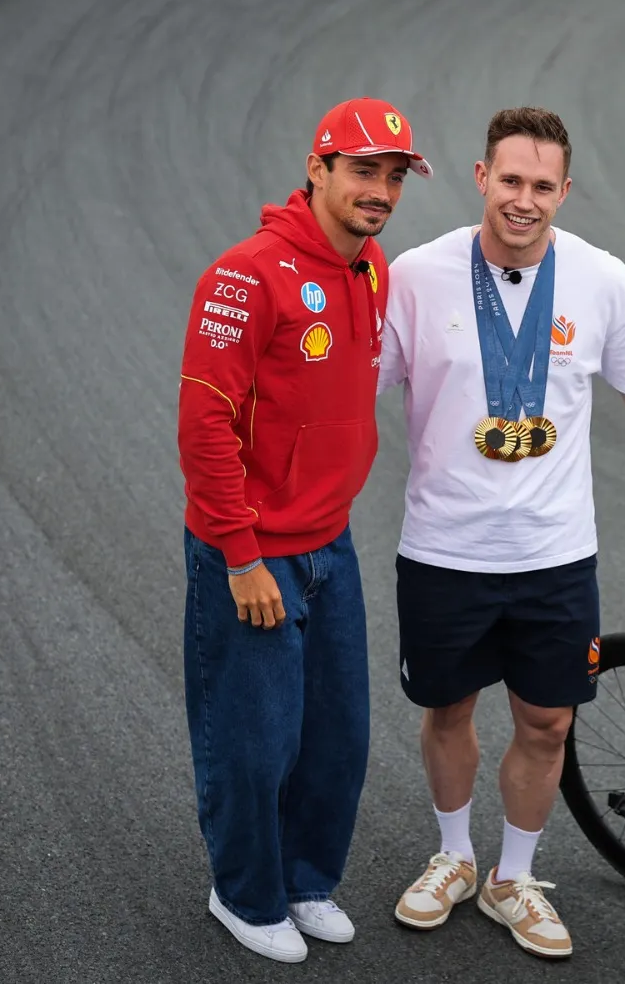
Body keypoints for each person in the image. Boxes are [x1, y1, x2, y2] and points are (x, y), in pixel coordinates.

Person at [377, 106, 625, 960]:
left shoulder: (602, 280)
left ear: (566, 192)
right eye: (510, 181)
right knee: (448, 710)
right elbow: (346, 395)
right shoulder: (413, 276)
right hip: (443, 549)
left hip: (554, 557)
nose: (524, 201)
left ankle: (512, 878)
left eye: (542, 186)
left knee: (548, 722)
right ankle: (452, 856)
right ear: (483, 178)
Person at [176, 96, 430, 963]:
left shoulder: (372, 269)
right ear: (317, 169)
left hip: (331, 542)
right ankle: (243, 895)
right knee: (255, 744)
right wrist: (240, 556)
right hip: (252, 551)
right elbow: (204, 424)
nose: (381, 190)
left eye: (395, 176)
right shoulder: (245, 275)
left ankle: (304, 881)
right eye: (364, 171)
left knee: (336, 738)